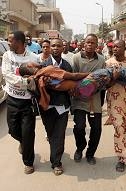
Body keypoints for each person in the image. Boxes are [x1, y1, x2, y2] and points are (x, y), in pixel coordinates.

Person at [2, 31, 40, 174]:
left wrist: (32, 80)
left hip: (27, 102)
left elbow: (36, 77)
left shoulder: (34, 57)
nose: (8, 42)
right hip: (12, 99)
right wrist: (25, 81)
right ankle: (22, 142)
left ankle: (28, 163)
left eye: (10, 40)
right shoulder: (7, 55)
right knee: (13, 130)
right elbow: (7, 74)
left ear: (19, 42)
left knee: (28, 133)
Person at [105, 39, 126, 172]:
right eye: (113, 47)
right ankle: (122, 158)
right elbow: (106, 85)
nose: (114, 49)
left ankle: (123, 146)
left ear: (124, 48)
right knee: (119, 129)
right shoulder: (108, 63)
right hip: (114, 102)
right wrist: (114, 77)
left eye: (118, 47)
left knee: (124, 129)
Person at [71, 33, 105, 165]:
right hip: (79, 99)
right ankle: (80, 148)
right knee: (79, 127)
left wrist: (95, 88)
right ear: (84, 44)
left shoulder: (101, 60)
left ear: (97, 45)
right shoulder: (76, 58)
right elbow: (73, 77)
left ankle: (90, 154)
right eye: (88, 42)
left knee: (96, 130)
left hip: (94, 101)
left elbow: (104, 79)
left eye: (93, 43)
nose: (90, 45)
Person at [39, 38, 72, 176]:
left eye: (59, 46)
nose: (56, 48)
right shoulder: (43, 66)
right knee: (52, 134)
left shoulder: (67, 66)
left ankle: (56, 163)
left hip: (62, 107)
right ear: (49, 48)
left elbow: (71, 86)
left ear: (63, 48)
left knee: (59, 135)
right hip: (47, 107)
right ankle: (55, 153)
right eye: (53, 46)